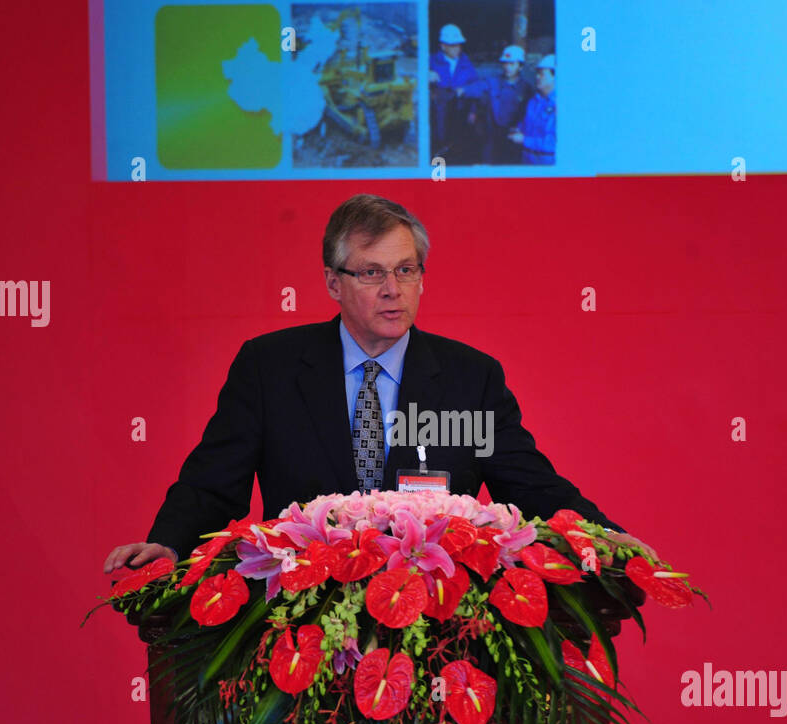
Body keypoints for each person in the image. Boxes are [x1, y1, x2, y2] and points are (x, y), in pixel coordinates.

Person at [102, 194, 651, 576]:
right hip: (300, 611)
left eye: (407, 271)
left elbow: (531, 487)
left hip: (433, 616)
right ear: (332, 283)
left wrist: (601, 534)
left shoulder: (468, 378)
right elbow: (212, 482)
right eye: (371, 273)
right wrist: (168, 542)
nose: (393, 289)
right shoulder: (269, 367)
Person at [428, 23, 479, 153]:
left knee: (457, 143)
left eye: (459, 45)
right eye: (453, 45)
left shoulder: (466, 64)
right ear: (443, 46)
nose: (457, 48)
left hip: (459, 111)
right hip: (437, 112)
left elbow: (475, 87)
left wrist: (473, 112)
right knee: (438, 141)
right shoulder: (431, 61)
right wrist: (425, 75)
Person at [481, 45, 533, 164]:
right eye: (505, 63)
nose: (507, 67)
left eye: (512, 64)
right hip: (493, 137)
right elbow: (478, 93)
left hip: (514, 137)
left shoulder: (526, 88)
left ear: (520, 66)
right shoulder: (493, 83)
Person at [510, 54, 555, 165]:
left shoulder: (561, 105)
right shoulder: (533, 101)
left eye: (542, 74)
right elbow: (526, 123)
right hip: (527, 159)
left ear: (555, 76)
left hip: (546, 163)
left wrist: (524, 140)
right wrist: (518, 129)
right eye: (537, 73)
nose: (537, 77)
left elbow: (553, 144)